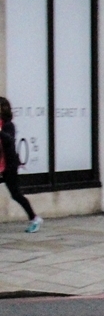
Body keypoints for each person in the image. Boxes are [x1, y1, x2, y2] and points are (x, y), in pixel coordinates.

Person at [0, 97, 40, 232]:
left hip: (9, 166)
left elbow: (9, 140)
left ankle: (34, 218)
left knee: (16, 194)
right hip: (1, 165)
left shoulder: (8, 125)